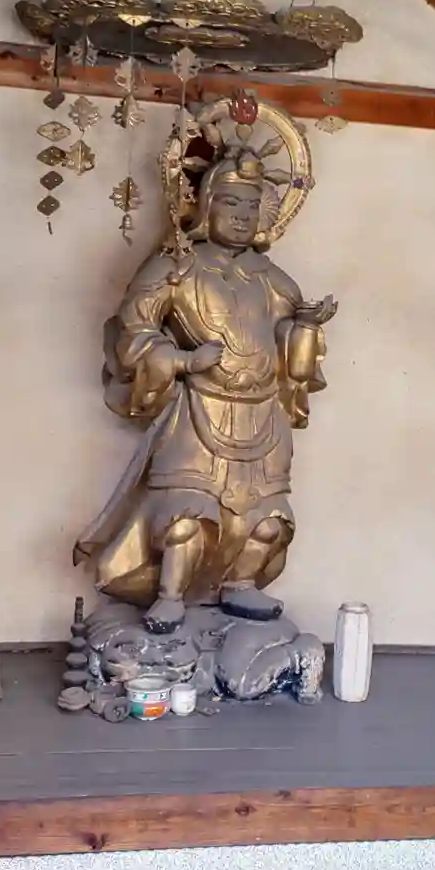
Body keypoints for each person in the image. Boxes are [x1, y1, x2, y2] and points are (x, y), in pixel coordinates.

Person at [74, 149, 337, 633]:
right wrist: (182, 361)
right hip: (197, 412)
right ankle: (170, 596)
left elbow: (295, 362)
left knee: (268, 519)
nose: (241, 216)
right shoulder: (176, 267)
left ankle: (241, 583)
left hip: (264, 416)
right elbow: (134, 330)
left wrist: (305, 326)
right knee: (185, 517)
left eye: (252, 206)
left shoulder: (275, 281)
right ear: (206, 205)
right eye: (231, 203)